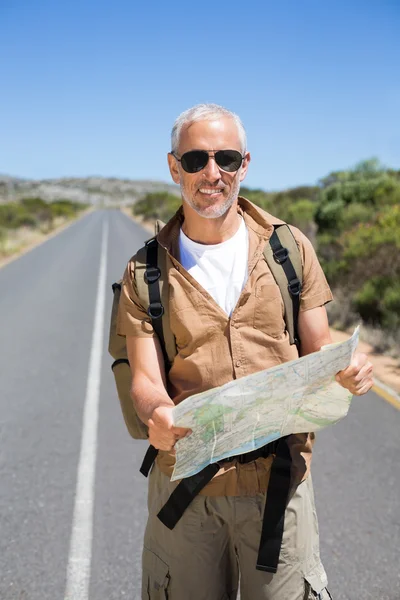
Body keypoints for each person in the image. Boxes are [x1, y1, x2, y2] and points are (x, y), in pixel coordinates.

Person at [117, 103, 374, 600]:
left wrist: (348, 370)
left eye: (226, 158)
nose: (212, 174)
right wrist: (158, 414)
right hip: (186, 494)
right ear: (174, 167)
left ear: (245, 164)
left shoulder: (289, 250)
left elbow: (319, 351)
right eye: (195, 160)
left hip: (279, 487)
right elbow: (145, 380)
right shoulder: (143, 273)